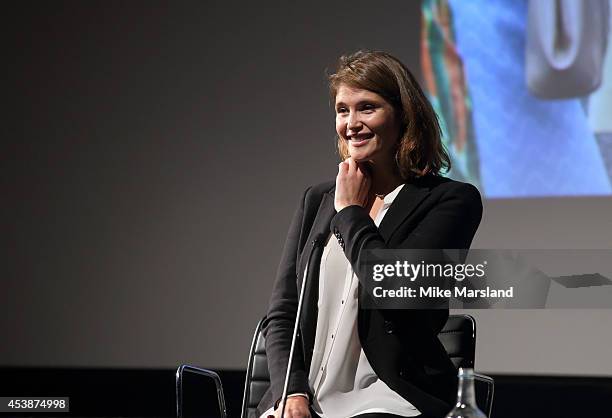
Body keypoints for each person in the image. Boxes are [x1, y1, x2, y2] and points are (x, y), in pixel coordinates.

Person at [256, 50, 482, 418]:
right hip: (304, 398)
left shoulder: (449, 201)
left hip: (388, 398)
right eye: (342, 110)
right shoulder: (317, 200)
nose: (351, 123)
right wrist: (292, 394)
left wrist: (349, 213)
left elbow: (395, 292)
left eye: (367, 108)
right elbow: (283, 313)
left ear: (404, 117)